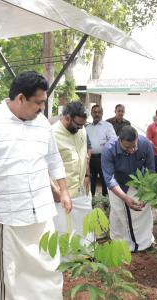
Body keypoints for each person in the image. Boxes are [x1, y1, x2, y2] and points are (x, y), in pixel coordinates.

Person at [0, 71, 72, 300]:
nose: (42, 108)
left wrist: (63, 190)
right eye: (38, 102)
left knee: (47, 265)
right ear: (21, 98)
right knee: (10, 276)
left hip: (42, 212)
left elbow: (53, 159)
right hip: (7, 216)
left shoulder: (42, 123)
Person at [101, 126, 155, 252]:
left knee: (141, 212)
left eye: (133, 147)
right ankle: (118, 241)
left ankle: (143, 243)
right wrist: (125, 198)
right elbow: (109, 179)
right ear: (119, 141)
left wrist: (146, 194)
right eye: (126, 148)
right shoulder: (108, 149)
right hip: (117, 184)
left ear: (137, 140)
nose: (131, 150)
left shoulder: (145, 144)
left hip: (139, 182)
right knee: (118, 211)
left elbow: (150, 170)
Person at [52, 101, 92, 243]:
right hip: (62, 195)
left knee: (84, 230)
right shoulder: (52, 134)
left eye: (83, 125)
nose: (81, 128)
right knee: (65, 233)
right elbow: (45, 167)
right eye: (78, 124)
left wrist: (87, 175)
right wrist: (56, 191)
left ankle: (83, 258)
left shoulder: (81, 130)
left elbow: (84, 155)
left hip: (81, 190)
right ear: (67, 118)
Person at [86, 105, 117, 197]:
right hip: (90, 159)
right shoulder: (87, 128)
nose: (97, 114)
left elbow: (113, 140)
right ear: (91, 114)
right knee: (91, 181)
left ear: (102, 113)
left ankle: (106, 201)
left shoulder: (108, 126)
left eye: (99, 112)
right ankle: (92, 201)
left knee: (105, 181)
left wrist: (105, 145)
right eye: (94, 112)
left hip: (103, 158)